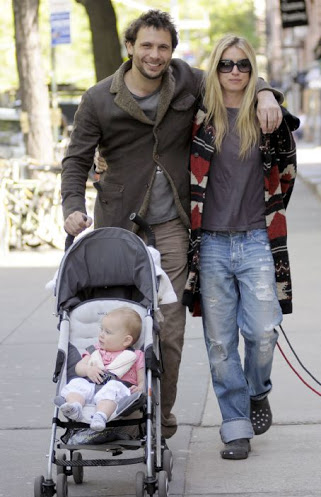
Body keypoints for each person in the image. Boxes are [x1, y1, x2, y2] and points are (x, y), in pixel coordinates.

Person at [61, 9, 283, 439]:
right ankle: (111, 405)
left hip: (174, 225)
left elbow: (235, 72)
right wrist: (72, 205)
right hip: (119, 227)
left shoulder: (187, 80)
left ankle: (157, 417)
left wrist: (267, 92)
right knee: (118, 324)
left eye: (163, 47)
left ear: (172, 52)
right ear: (130, 47)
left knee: (170, 328)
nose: (155, 54)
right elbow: (76, 160)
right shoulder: (99, 98)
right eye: (146, 45)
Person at [183, 35, 299, 460]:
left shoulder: (267, 117)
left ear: (254, 70)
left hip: (255, 241)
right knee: (219, 343)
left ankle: (255, 391)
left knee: (263, 330)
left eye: (245, 65)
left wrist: (268, 93)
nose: (235, 72)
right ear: (214, 69)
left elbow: (286, 175)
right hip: (210, 243)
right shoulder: (197, 117)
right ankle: (235, 425)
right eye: (226, 65)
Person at [60, 307, 144, 432]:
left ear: (126, 340)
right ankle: (75, 407)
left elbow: (142, 378)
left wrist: (140, 387)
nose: (101, 334)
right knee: (76, 383)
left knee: (112, 388)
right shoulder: (95, 350)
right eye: (101, 329)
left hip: (117, 392)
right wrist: (88, 370)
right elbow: (79, 367)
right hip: (92, 388)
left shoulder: (135, 355)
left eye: (108, 332)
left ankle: (100, 416)